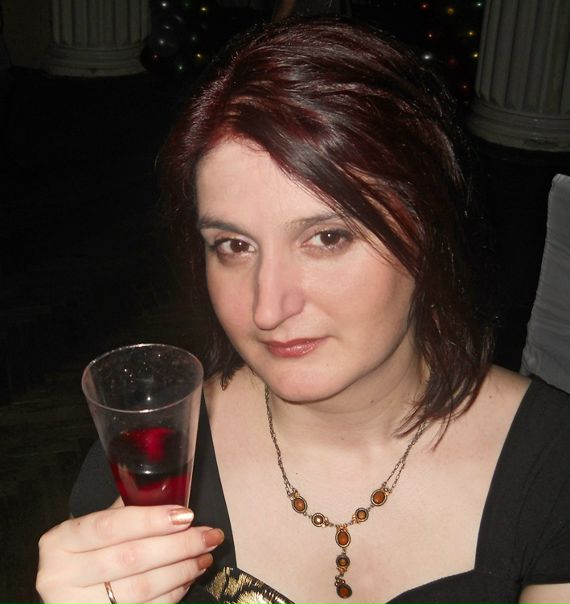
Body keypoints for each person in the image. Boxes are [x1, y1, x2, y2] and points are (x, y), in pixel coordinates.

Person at [36, 18, 570, 604]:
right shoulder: (148, 462)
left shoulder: (553, 464)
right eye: (233, 245)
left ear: (429, 231)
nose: (268, 308)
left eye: (327, 238)